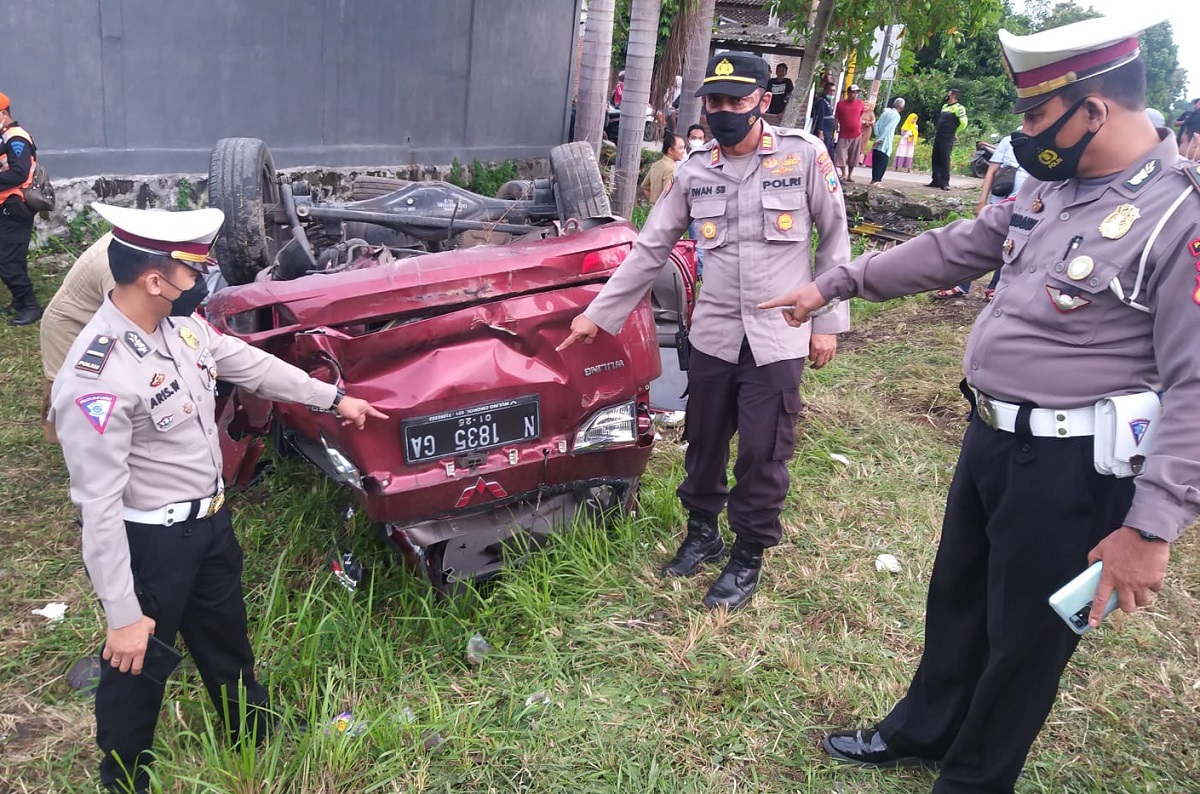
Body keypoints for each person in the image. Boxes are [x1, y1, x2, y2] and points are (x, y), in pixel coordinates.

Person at [759, 12, 1197, 793]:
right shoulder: (1055, 185)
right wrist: (837, 282)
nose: (1023, 132)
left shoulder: (1179, 216)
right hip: (992, 437)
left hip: (1075, 467)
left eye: (1035, 115)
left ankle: (973, 778)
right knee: (958, 595)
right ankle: (925, 728)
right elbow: (960, 245)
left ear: (1093, 109)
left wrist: (1151, 526)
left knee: (1026, 638)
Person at [50, 203, 388, 793]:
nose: (202, 279)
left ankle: (251, 729)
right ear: (155, 281)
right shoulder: (96, 376)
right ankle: (125, 775)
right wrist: (122, 613)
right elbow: (98, 506)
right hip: (153, 542)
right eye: (192, 270)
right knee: (136, 662)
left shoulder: (183, 329)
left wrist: (333, 399)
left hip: (209, 523)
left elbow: (255, 367)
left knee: (225, 635)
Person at [558, 53, 850, 611]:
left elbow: (835, 239)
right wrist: (599, 313)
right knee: (704, 441)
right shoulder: (695, 168)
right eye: (713, 102)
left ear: (763, 102)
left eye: (734, 102)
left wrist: (828, 322)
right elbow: (650, 248)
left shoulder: (804, 155)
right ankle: (702, 533)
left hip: (779, 334)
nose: (721, 112)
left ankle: (747, 556)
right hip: (713, 332)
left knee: (763, 451)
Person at [936, 130, 1031, 300]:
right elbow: (991, 172)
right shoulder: (1008, 141)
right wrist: (982, 201)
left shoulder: (1047, 144)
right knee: (977, 242)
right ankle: (961, 284)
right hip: (998, 201)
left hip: (1025, 206)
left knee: (1011, 246)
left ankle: (995, 287)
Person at [40, 232, 116, 443]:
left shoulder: (129, 244)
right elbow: (129, 319)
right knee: (69, 393)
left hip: (96, 324)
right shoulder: (116, 266)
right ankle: (72, 446)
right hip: (71, 324)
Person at [0, 92, 43, 326]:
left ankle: (30, 306)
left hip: (15, 208)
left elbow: (18, 173)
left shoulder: (17, 139)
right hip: (6, 206)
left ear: (3, 114)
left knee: (7, 260)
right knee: (10, 258)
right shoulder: (4, 136)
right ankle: (19, 302)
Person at [927, 88, 967, 190]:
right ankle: (935, 179)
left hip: (948, 135)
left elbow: (964, 123)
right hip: (939, 134)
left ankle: (945, 182)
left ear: (953, 96)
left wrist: (955, 132)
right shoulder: (944, 106)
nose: (947, 95)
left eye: (949, 94)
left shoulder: (959, 108)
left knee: (945, 158)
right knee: (936, 157)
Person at [642, 133, 686, 206]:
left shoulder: (656, 165)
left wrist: (653, 203)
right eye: (681, 148)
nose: (683, 151)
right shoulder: (670, 169)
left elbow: (645, 187)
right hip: (665, 212)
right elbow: (669, 195)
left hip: (653, 211)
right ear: (670, 151)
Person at [868, 98, 904, 185]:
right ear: (902, 107)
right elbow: (888, 128)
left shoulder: (886, 112)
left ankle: (873, 180)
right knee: (882, 161)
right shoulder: (896, 116)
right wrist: (880, 139)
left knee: (876, 160)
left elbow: (877, 124)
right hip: (885, 140)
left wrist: (877, 136)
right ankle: (876, 181)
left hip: (878, 138)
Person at [834, 84, 865, 182]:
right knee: (841, 154)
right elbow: (836, 118)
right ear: (848, 93)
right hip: (843, 133)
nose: (854, 95)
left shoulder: (860, 103)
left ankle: (850, 175)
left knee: (854, 155)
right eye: (852, 92)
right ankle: (844, 173)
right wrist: (834, 130)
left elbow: (861, 115)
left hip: (856, 134)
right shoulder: (841, 104)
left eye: (856, 93)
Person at [811, 81, 837, 157]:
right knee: (823, 153)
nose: (832, 93)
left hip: (829, 133)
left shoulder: (828, 102)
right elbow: (820, 118)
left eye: (833, 91)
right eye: (830, 90)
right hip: (824, 132)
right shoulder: (821, 101)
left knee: (831, 154)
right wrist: (820, 133)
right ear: (825, 91)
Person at [857, 100, 876, 167]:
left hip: (867, 130)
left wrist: (866, 122)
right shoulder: (860, 111)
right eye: (864, 105)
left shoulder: (871, 113)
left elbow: (873, 122)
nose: (865, 107)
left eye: (867, 105)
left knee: (863, 144)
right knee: (856, 143)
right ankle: (854, 159)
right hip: (858, 129)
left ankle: (860, 160)